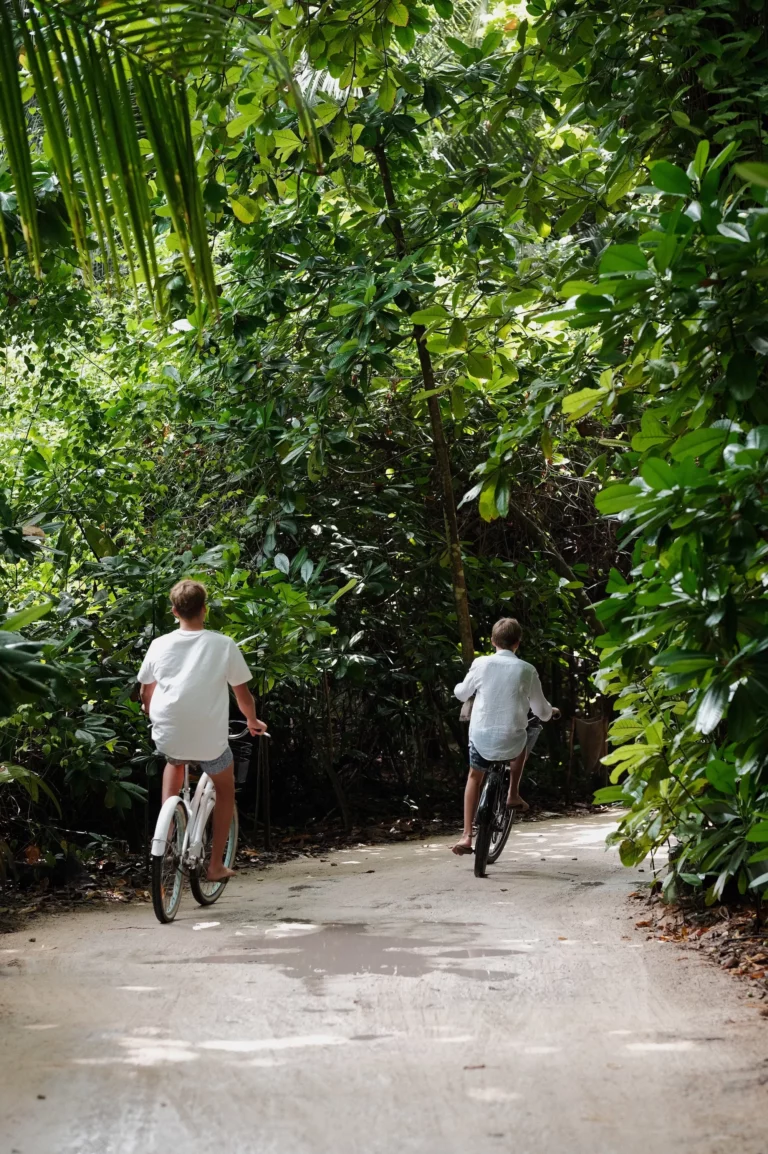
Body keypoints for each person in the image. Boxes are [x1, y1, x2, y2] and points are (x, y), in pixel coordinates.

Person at [137, 579, 267, 881]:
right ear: (204, 610)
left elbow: (146, 692)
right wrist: (252, 721)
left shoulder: (159, 644)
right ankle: (215, 865)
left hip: (169, 733)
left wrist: (149, 710)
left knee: (174, 759)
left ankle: (167, 833)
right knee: (225, 788)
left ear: (174, 611)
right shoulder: (223, 645)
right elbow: (242, 695)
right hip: (210, 740)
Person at [451, 617, 559, 856]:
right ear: (517, 643)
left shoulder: (481, 664)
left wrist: (463, 687)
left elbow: (461, 694)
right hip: (512, 741)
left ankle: (467, 835)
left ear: (492, 641)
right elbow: (541, 711)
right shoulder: (527, 670)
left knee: (473, 777)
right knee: (526, 733)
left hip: (481, 739)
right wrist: (552, 712)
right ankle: (512, 793)